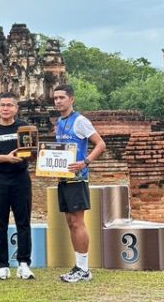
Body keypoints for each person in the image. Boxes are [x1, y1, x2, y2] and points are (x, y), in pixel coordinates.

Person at [53, 84, 106, 283]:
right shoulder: (59, 121)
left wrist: (85, 162)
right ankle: (78, 266)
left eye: (62, 97)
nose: (58, 101)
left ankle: (84, 269)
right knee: (70, 222)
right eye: (55, 98)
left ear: (72, 99)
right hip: (64, 179)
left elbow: (100, 144)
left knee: (78, 222)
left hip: (78, 179)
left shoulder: (80, 121)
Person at [0, 93, 34, 280]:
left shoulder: (24, 127)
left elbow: (31, 152)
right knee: (0, 223)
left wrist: (31, 154)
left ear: (16, 108)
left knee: (23, 222)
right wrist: (6, 158)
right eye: (2, 105)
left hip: (20, 178)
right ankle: (2, 265)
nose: (5, 108)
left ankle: (24, 263)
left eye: (9, 105)